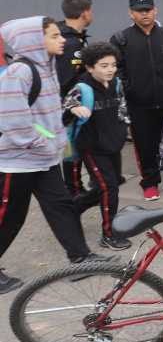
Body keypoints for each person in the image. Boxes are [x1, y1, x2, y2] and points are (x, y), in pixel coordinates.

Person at [0, 17, 114, 293]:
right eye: (53, 36)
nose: (62, 39)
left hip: (44, 158)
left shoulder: (46, 66)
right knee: (9, 217)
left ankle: (80, 258)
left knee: (61, 206)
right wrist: (44, 143)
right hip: (18, 162)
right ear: (33, 40)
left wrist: (56, 141)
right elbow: (13, 121)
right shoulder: (19, 72)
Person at [110, 0, 163, 201]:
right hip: (139, 105)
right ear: (131, 13)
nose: (144, 13)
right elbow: (116, 70)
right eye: (139, 10)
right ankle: (150, 182)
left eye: (148, 9)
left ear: (155, 10)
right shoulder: (121, 39)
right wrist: (131, 89)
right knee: (145, 146)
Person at [63, 42, 132, 251]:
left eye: (112, 64)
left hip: (113, 145)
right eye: (104, 65)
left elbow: (123, 111)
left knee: (110, 185)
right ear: (90, 67)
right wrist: (73, 111)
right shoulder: (81, 89)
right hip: (91, 147)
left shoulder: (117, 84)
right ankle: (109, 234)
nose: (110, 69)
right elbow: (63, 114)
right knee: (108, 187)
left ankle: (74, 207)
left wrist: (122, 132)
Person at [57, 0, 93, 196]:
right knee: (71, 154)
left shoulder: (71, 38)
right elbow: (67, 81)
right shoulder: (70, 44)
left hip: (72, 106)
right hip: (69, 108)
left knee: (75, 152)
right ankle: (74, 192)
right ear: (85, 13)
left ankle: (77, 189)